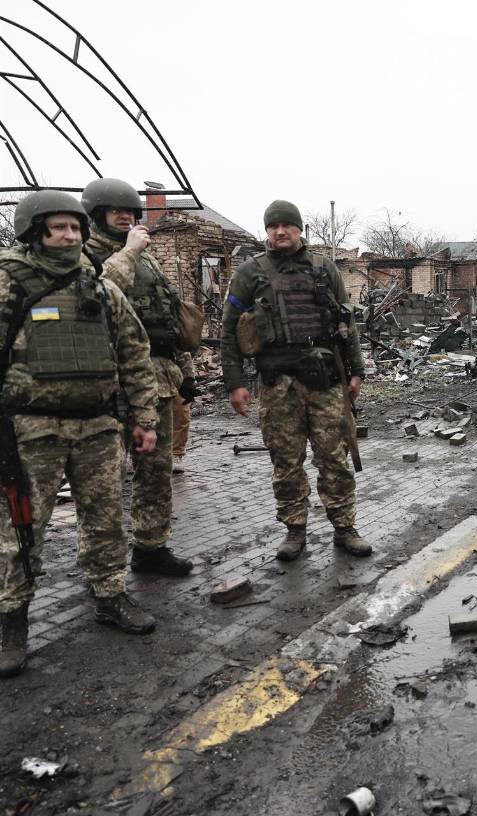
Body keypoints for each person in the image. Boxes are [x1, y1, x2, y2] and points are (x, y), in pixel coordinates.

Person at [0, 191, 162, 677]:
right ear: (35, 233)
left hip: (98, 427)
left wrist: (145, 419)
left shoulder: (101, 288)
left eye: (75, 228)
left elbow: (135, 353)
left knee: (106, 518)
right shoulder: (8, 284)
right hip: (30, 431)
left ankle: (110, 595)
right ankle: (12, 618)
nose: (69, 236)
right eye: (58, 228)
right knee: (21, 528)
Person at [220, 201, 369, 562]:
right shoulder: (250, 273)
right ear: (267, 231)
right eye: (273, 226)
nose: (280, 231)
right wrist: (235, 383)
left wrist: (356, 370)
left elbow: (346, 322)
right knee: (286, 461)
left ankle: (344, 527)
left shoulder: (324, 268)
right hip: (278, 384)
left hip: (325, 381)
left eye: (287, 225)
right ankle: (294, 529)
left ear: (299, 229)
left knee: (334, 458)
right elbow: (229, 330)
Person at [82, 178, 195, 577]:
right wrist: (129, 251)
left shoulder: (147, 259)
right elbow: (97, 297)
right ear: (97, 215)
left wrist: (186, 370)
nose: (125, 217)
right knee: (105, 480)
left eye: (130, 211)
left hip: (156, 379)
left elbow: (168, 316)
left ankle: (151, 546)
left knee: (155, 472)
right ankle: (101, 564)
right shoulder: (84, 255)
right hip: (107, 383)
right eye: (116, 211)